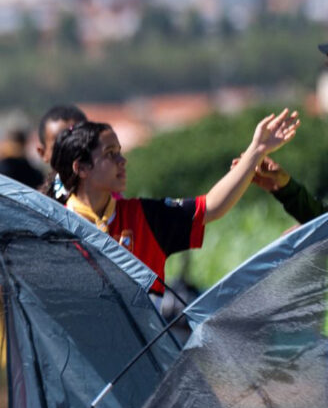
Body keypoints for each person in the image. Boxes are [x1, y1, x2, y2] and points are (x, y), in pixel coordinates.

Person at [51, 110, 300, 294]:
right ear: (81, 168)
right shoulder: (52, 231)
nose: (122, 161)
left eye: (120, 152)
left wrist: (256, 150)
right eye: (110, 154)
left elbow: (211, 206)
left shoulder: (144, 216)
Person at [36, 104, 87, 200]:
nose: (70, 152)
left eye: (78, 144)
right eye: (59, 147)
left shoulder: (108, 199)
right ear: (43, 153)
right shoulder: (39, 205)